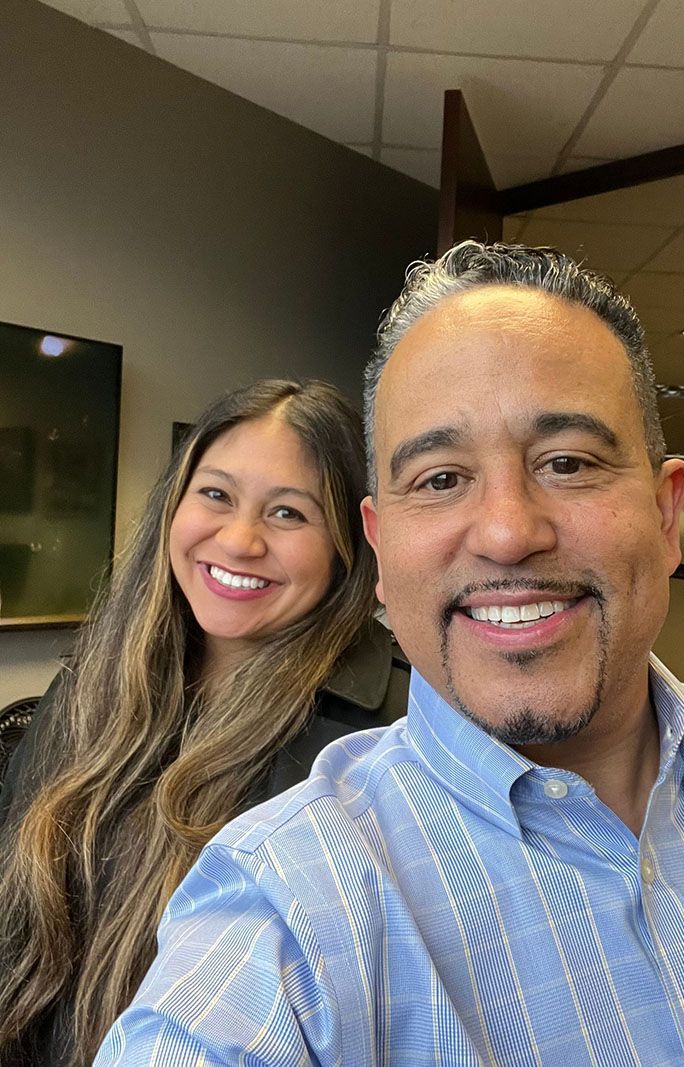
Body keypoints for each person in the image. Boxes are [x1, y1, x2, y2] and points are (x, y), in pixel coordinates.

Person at [96, 243, 684, 1066]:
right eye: (438, 478)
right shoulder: (284, 901)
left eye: (567, 463)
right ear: (381, 548)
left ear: (665, 510)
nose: (507, 531)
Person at [0, 378, 409, 1066]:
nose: (240, 539)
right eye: (216, 495)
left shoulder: (386, 741)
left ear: (346, 547)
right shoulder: (91, 681)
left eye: (288, 514)